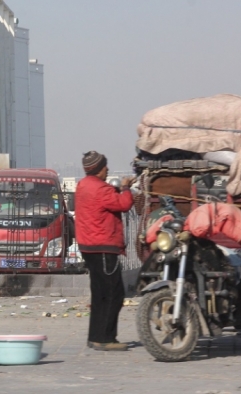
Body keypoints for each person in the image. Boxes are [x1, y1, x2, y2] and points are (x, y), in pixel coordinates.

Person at [75, 150, 134, 351]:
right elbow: (124, 204)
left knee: (99, 293)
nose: (107, 169)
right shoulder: (101, 189)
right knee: (114, 293)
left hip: (88, 247)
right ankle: (106, 338)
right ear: (98, 169)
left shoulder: (82, 185)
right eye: (105, 166)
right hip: (104, 248)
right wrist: (126, 187)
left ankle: (95, 336)